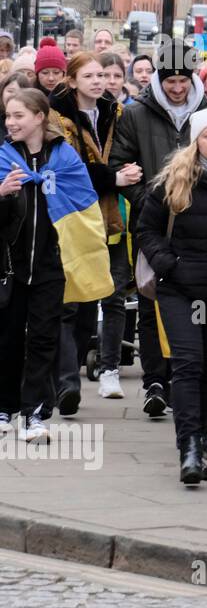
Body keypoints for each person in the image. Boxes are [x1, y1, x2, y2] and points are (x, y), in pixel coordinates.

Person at [135, 109, 207, 486]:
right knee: (187, 363)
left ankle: (200, 434)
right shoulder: (174, 180)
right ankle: (189, 448)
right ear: (196, 141)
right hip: (181, 291)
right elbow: (147, 229)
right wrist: (171, 265)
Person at [108, 43, 207, 418]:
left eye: (184, 80)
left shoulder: (206, 112)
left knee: (194, 302)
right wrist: (149, 201)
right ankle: (155, 380)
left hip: (199, 223)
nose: (177, 88)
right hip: (151, 224)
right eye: (170, 81)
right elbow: (122, 165)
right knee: (152, 298)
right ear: (158, 79)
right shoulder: (135, 115)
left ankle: (189, 374)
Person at [0, 89, 99, 442]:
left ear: (40, 117)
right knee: (8, 338)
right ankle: (5, 407)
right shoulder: (3, 158)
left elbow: (85, 205)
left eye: (18, 116)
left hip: (52, 265)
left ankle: (35, 412)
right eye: (8, 116)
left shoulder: (66, 158)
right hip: (9, 268)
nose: (11, 122)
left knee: (44, 339)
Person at [48, 53, 140, 410]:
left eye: (102, 74)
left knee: (99, 298)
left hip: (111, 217)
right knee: (70, 301)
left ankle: (95, 369)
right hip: (71, 218)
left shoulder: (115, 112)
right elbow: (69, 170)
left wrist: (127, 172)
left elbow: (122, 155)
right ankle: (67, 382)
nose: (98, 81)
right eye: (89, 75)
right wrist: (114, 178)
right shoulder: (58, 118)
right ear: (72, 81)